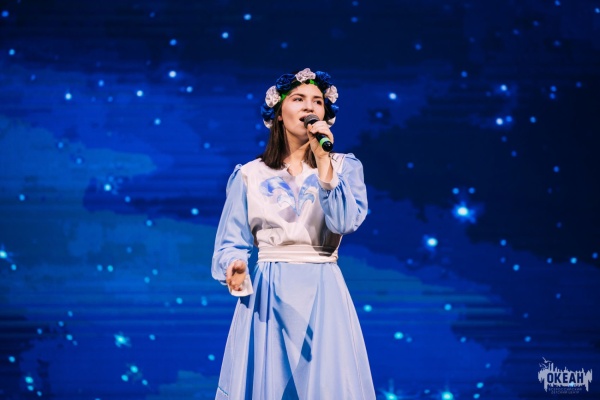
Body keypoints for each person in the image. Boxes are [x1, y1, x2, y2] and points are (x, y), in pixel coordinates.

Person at [211, 67, 375, 400]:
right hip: (269, 290)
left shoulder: (345, 168)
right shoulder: (250, 175)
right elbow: (231, 243)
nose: (309, 106)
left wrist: (324, 163)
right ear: (278, 113)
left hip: (323, 287)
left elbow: (344, 222)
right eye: (298, 99)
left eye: (317, 101)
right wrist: (236, 271)